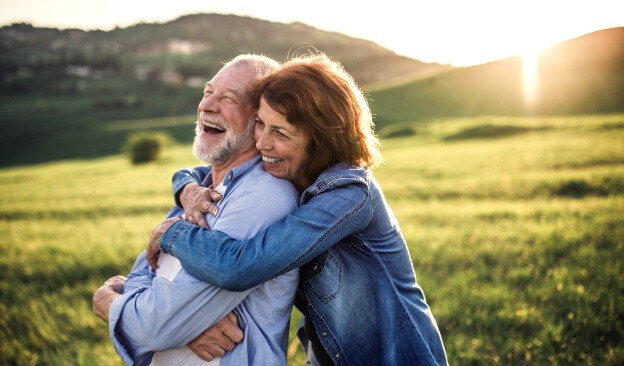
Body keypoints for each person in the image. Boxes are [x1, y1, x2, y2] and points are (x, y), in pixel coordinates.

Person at [147, 53, 448, 365]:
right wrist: (187, 189)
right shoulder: (294, 174)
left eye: (280, 133)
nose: (262, 143)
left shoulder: (349, 195)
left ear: (320, 140)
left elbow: (240, 267)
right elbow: (199, 173)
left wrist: (173, 233)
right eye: (261, 124)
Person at [92, 54, 301, 365]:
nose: (207, 106)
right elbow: (145, 272)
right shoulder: (199, 192)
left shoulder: (263, 196)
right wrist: (182, 325)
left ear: (260, 121)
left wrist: (106, 300)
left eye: (228, 98)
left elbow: (153, 326)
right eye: (207, 92)